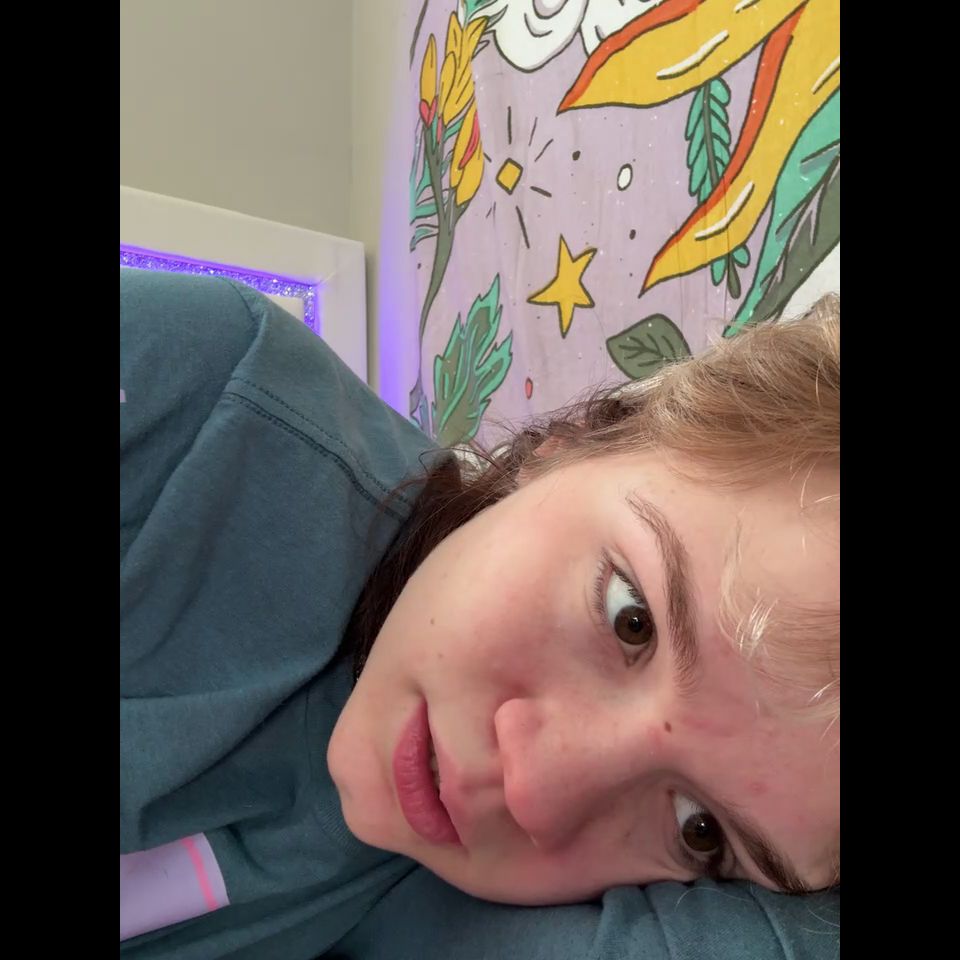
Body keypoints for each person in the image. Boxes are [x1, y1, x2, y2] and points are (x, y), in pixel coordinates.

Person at [120, 268, 839, 958]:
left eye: (700, 830)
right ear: (571, 442)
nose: (532, 790)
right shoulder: (200, 405)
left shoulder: (436, 907)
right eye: (631, 619)